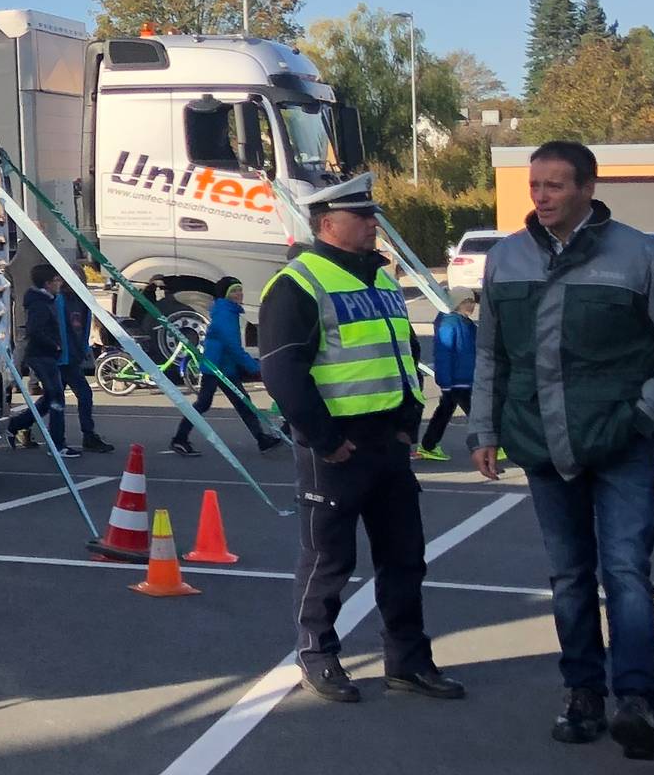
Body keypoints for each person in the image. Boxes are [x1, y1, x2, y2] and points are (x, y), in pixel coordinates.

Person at [470, 140, 654, 761]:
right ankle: (583, 694)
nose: (542, 197)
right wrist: (486, 431)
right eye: (535, 186)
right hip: (540, 443)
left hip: (620, 443)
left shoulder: (642, 256)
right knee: (568, 577)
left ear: (587, 188)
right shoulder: (505, 260)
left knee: (626, 572)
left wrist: (642, 417)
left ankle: (637, 700)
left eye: (555, 186)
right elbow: (491, 355)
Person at [258, 175, 463, 706]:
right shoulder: (297, 283)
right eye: (362, 216)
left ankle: (407, 661)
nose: (374, 224)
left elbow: (401, 358)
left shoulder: (381, 282)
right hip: (337, 449)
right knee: (328, 561)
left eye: (372, 214)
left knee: (405, 559)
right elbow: (284, 374)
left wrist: (407, 424)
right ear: (328, 224)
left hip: (387, 445)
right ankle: (317, 655)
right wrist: (325, 440)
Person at [168, 278, 283, 457]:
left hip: (223, 366)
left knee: (242, 402)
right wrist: (254, 367)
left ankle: (261, 439)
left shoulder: (228, 311)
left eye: (240, 289)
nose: (239, 293)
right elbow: (233, 346)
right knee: (206, 403)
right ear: (226, 294)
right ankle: (179, 439)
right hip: (216, 367)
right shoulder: (225, 314)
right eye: (234, 291)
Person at [17, 265, 85, 457]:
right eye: (56, 280)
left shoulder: (49, 301)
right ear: (48, 283)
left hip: (47, 356)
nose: (60, 284)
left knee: (50, 398)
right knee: (56, 398)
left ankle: (16, 425)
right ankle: (57, 444)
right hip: (42, 356)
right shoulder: (40, 304)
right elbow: (34, 330)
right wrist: (55, 344)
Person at [57, 278, 114, 453]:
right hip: (60, 358)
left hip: (73, 357)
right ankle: (84, 436)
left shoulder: (82, 300)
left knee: (77, 396)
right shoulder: (59, 299)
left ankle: (88, 435)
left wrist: (83, 349)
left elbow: (84, 325)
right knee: (61, 400)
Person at [417, 296, 478, 461]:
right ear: (458, 303)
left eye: (472, 301)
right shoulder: (450, 324)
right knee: (476, 413)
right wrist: (445, 382)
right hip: (457, 379)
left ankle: (428, 446)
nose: (471, 305)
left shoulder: (466, 323)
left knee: (445, 411)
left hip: (464, 377)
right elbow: (443, 355)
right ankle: (487, 444)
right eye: (467, 301)